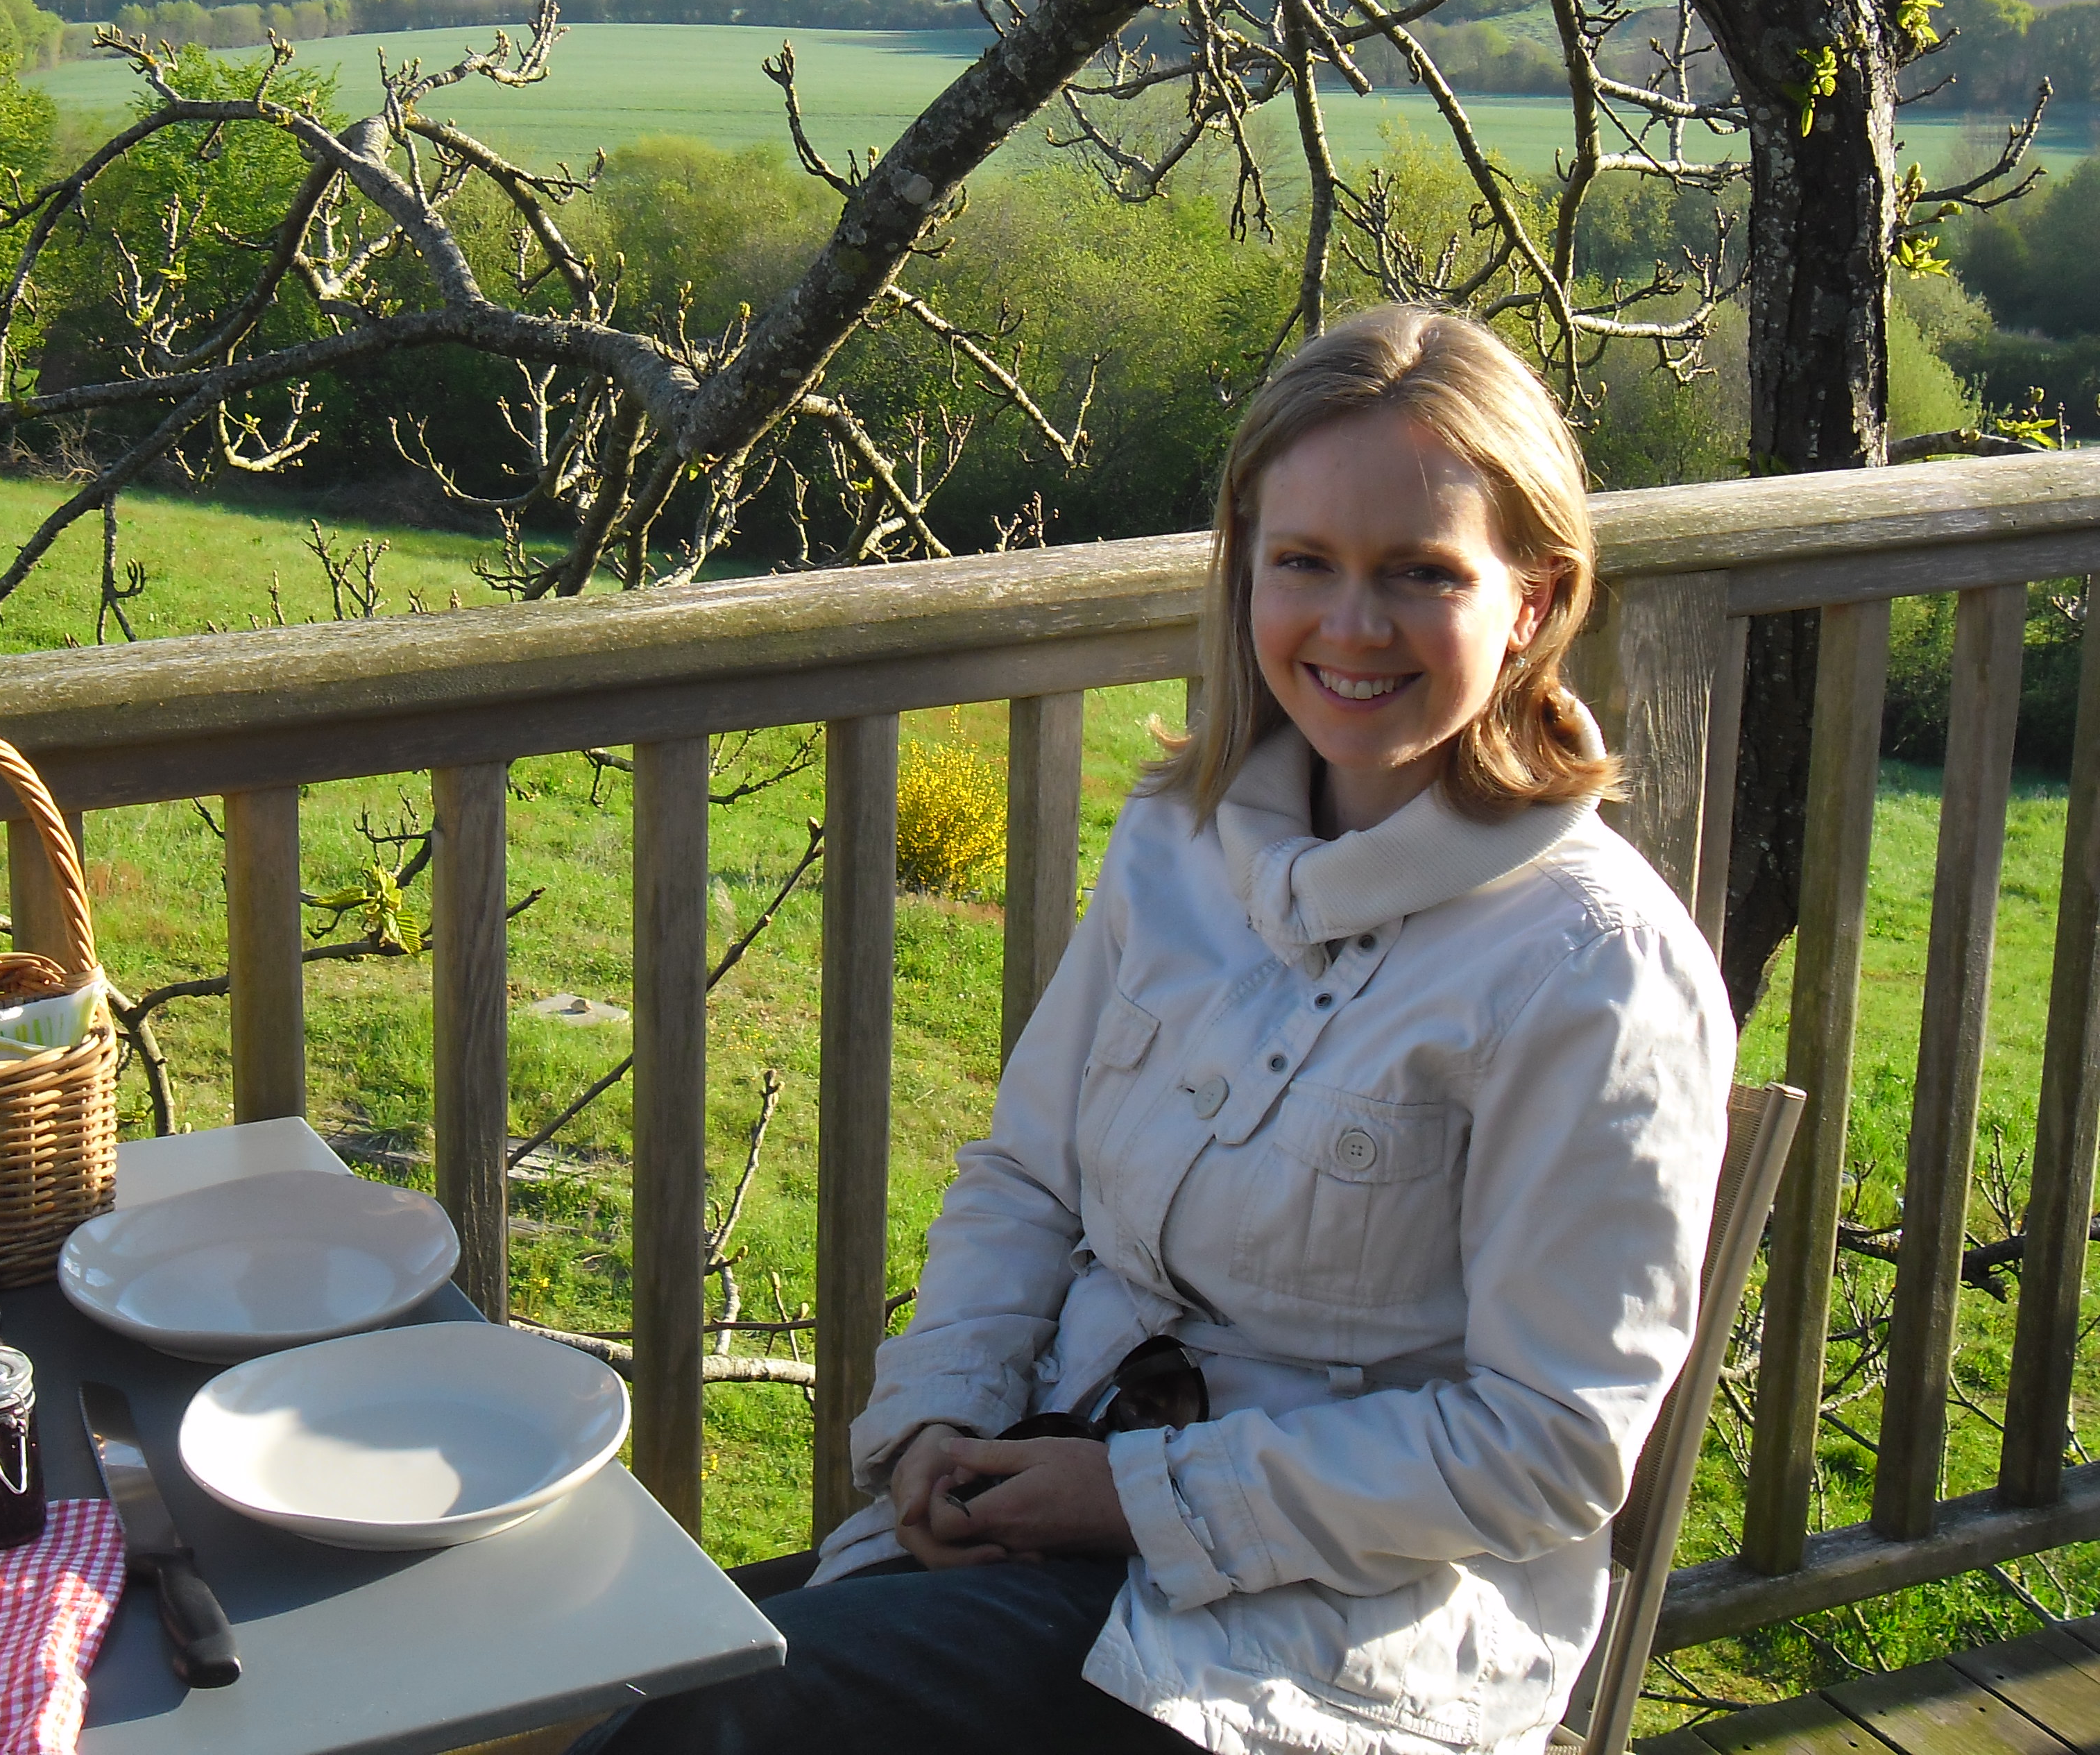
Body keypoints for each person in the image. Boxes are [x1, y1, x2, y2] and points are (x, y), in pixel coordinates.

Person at [579, 306, 1736, 1755]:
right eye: (1301, 562)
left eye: (1420, 574)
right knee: (640, 1691)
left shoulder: (1591, 967)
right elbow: (1025, 1182)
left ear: (1530, 599)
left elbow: (1548, 1447)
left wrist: (1135, 1497)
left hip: (1326, 1635)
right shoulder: (1177, 843)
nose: (1350, 625)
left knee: (709, 1729)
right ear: (1241, 565)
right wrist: (936, 1425)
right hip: (1046, 1516)